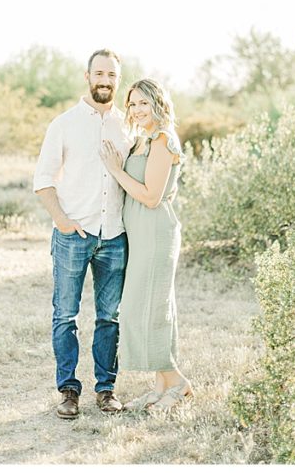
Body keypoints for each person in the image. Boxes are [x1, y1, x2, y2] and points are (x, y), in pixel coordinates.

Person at [34, 49, 131, 419]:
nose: (105, 80)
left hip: (115, 236)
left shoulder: (128, 125)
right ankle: (68, 391)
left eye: (111, 75)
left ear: (117, 79)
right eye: (99, 73)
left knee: (110, 317)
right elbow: (43, 180)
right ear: (87, 76)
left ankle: (106, 389)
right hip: (74, 233)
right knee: (66, 315)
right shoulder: (64, 123)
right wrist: (60, 219)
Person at [100, 78, 192, 412]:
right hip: (137, 234)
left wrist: (115, 170)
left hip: (155, 232)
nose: (138, 110)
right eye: (133, 103)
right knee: (146, 307)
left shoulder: (164, 139)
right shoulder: (142, 140)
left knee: (150, 307)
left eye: (144, 103)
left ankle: (178, 382)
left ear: (159, 103)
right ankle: (160, 386)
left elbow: (152, 197)